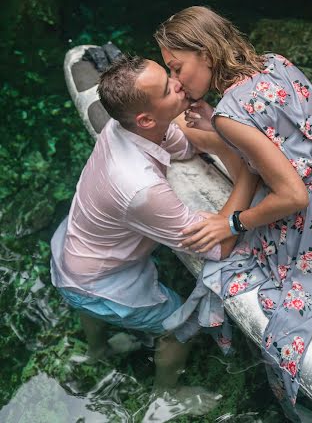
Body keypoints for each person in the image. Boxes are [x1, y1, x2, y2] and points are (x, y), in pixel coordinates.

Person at [154, 5, 312, 409]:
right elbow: (279, 139)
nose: (175, 81)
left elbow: (293, 196)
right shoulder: (275, 63)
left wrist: (233, 222)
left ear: (207, 54)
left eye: (177, 68)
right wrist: (219, 123)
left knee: (226, 269)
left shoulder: (231, 115)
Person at [50, 53, 258, 415]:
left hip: (72, 253)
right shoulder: (141, 187)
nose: (179, 82)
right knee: (183, 324)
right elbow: (219, 246)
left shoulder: (126, 126)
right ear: (146, 117)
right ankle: (165, 394)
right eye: (168, 87)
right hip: (99, 283)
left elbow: (183, 144)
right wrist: (248, 175)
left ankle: (98, 350)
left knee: (85, 297)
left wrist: (222, 139)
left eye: (170, 76)